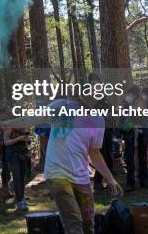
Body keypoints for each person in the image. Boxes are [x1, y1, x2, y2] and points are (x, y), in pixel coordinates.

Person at [44, 98, 123, 234]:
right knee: (73, 221)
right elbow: (35, 117)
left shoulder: (98, 121)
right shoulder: (62, 106)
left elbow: (94, 153)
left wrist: (110, 179)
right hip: (56, 174)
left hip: (81, 176)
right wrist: (6, 124)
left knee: (88, 223)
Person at [120, 85, 148, 191]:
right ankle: (130, 183)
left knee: (143, 158)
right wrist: (119, 135)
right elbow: (121, 121)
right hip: (130, 136)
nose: (128, 96)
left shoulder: (144, 106)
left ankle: (143, 180)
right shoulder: (125, 106)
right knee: (129, 160)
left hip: (142, 135)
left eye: (130, 94)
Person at [3, 126, 32, 211]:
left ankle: (21, 198)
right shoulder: (9, 128)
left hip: (22, 154)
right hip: (12, 155)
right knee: (17, 177)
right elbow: (6, 142)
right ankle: (20, 201)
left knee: (22, 178)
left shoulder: (24, 127)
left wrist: (27, 139)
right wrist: (18, 139)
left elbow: (28, 141)